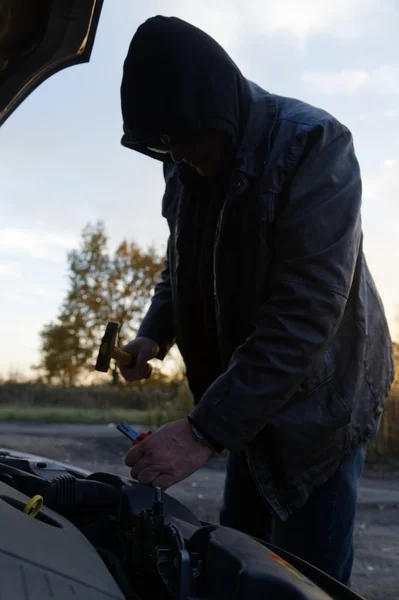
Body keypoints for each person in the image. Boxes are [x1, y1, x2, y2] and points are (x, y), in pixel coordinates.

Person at [118, 15, 394, 586]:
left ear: (218, 111)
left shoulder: (316, 145)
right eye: (166, 148)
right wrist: (153, 333)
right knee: (237, 563)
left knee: (300, 579)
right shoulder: (184, 161)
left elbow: (306, 313)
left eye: (189, 143)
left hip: (320, 406)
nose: (182, 158)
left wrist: (201, 431)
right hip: (246, 401)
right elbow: (180, 268)